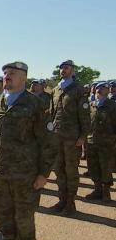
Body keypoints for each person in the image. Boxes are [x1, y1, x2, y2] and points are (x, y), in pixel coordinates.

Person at [0, 62, 54, 240]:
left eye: (12, 73)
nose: (7, 76)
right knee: (3, 219)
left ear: (24, 78)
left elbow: (48, 141)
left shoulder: (36, 104)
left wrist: (43, 173)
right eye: (5, 73)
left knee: (24, 219)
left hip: (25, 174)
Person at [49, 60, 91, 215]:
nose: (63, 70)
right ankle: (62, 200)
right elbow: (52, 114)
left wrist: (83, 136)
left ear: (73, 70)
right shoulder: (56, 89)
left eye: (66, 68)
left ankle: (70, 204)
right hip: (56, 137)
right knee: (58, 169)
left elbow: (85, 115)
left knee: (71, 170)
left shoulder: (78, 89)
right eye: (61, 68)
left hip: (72, 138)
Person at [85, 81, 115, 203]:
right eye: (98, 87)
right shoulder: (91, 104)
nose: (99, 89)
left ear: (108, 90)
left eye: (103, 88)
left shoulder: (112, 105)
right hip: (91, 141)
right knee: (93, 166)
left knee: (106, 167)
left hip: (107, 142)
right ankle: (97, 190)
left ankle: (106, 192)